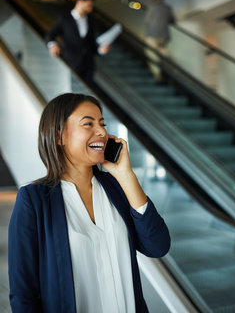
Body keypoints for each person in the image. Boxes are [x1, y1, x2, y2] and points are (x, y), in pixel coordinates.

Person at [8, 93, 170, 313]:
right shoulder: (33, 200)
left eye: (102, 123)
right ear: (59, 137)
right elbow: (23, 293)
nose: (102, 131)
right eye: (88, 123)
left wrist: (127, 176)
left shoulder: (116, 187)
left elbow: (158, 246)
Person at [46, 0, 110, 81]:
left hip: (88, 65)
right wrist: (53, 45)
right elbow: (51, 35)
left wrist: (100, 50)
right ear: (79, 2)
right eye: (89, 6)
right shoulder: (65, 18)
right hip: (71, 62)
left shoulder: (90, 21)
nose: (90, 9)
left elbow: (91, 44)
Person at [144, 0, 175, 81]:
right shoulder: (168, 8)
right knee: (162, 53)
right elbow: (172, 21)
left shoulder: (151, 7)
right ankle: (167, 71)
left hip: (152, 35)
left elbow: (147, 21)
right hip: (164, 36)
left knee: (152, 55)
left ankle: (157, 75)